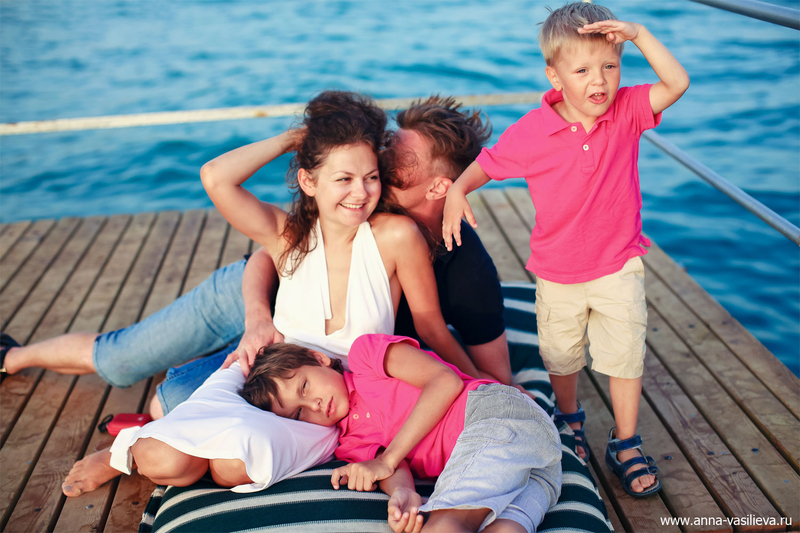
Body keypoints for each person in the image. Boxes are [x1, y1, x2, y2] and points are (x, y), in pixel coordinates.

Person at [56, 90, 499, 497]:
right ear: (309, 181)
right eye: (344, 178)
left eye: (371, 176)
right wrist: (299, 138)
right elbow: (215, 177)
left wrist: (487, 387)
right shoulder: (288, 236)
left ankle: (165, 427)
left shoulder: (398, 235)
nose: (362, 190)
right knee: (166, 453)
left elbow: (431, 329)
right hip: (266, 365)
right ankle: (121, 453)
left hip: (324, 406)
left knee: (233, 466)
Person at [442, 2, 689, 498]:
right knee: (561, 354)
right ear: (554, 76)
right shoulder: (533, 131)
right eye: (582, 71)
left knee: (625, 357)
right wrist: (456, 190)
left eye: (610, 66)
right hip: (557, 271)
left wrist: (639, 33)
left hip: (619, 263)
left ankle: (625, 441)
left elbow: (677, 82)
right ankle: (570, 416)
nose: (599, 80)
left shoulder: (628, 110)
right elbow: (488, 163)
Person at [239, 334, 562, 533]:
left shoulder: (366, 357)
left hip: (495, 415)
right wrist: (403, 493)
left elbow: (445, 381)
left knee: (445, 525)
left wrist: (388, 459)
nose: (314, 405)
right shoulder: (349, 444)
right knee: (504, 529)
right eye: (299, 413)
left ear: (318, 359)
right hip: (538, 467)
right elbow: (391, 468)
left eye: (305, 387)